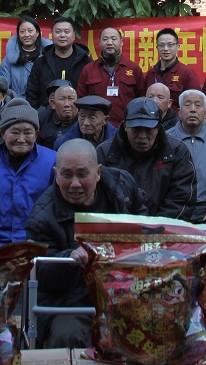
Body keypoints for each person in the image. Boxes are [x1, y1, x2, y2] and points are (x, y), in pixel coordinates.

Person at [25, 139, 147, 348]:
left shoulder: (122, 186)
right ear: (56, 174)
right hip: (71, 301)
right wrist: (69, 259)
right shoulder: (42, 216)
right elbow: (41, 277)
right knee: (66, 334)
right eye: (66, 175)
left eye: (82, 174)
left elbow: (142, 222)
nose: (75, 184)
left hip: (126, 290)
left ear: (98, 172)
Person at [166, 89, 206, 304]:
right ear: (179, 112)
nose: (193, 109)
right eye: (188, 105)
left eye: (198, 105)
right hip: (176, 209)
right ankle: (173, 296)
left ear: (205, 113)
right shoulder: (166, 140)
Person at [0, 99, 57, 248]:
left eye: (27, 133)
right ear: (3, 133)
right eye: (15, 132)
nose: (21, 139)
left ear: (36, 134)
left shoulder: (52, 161)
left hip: (38, 246)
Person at [98, 97, 196, 219]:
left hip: (164, 227)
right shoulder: (105, 152)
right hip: (118, 226)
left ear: (158, 128)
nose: (142, 136)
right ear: (125, 126)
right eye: (136, 130)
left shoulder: (177, 152)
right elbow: (98, 200)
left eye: (149, 130)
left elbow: (181, 200)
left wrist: (156, 227)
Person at [78, 26, 146, 125]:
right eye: (105, 39)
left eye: (114, 39)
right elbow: (81, 100)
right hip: (96, 127)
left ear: (121, 42)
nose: (109, 43)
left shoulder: (134, 69)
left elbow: (141, 100)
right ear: (99, 43)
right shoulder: (88, 69)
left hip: (125, 126)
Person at [26, 17, 91, 110]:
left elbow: (91, 92)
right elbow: (31, 93)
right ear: (52, 35)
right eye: (58, 32)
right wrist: (39, 114)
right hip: (46, 115)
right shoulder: (40, 62)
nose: (62, 35)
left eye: (66, 32)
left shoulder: (86, 62)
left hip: (79, 114)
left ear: (74, 36)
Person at [148, 28, 202, 108]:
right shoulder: (151, 74)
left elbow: (196, 102)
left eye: (170, 45)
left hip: (176, 116)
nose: (165, 49)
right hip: (152, 115)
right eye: (161, 45)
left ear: (178, 47)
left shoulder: (187, 73)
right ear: (157, 48)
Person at [1, 15, 51, 101]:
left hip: (42, 104)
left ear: (37, 33)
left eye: (30, 31)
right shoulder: (9, 59)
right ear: (18, 34)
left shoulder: (47, 56)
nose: (26, 35)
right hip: (15, 103)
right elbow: (4, 88)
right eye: (22, 32)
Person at [53, 94, 118, 150]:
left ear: (105, 120)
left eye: (92, 117)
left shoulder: (118, 141)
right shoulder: (64, 144)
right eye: (82, 116)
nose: (86, 123)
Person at [38, 80, 79, 149]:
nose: (67, 104)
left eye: (71, 99)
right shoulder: (42, 118)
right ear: (53, 103)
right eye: (62, 99)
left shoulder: (83, 120)